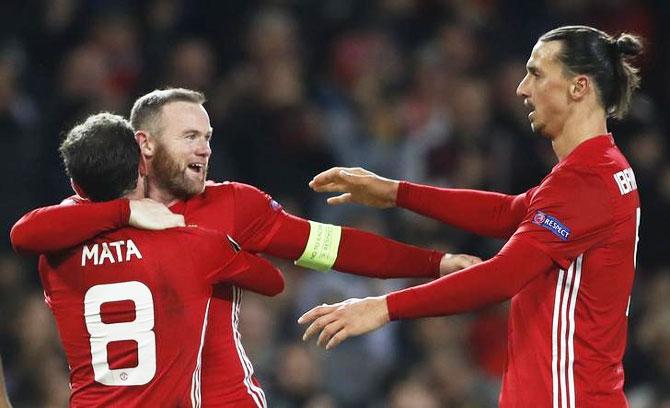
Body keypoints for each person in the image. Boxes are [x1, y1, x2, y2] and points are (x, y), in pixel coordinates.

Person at [10, 89, 481, 407]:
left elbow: (332, 247)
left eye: (208, 137)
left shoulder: (234, 205)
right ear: (144, 144)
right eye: (190, 136)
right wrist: (126, 213)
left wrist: (434, 262)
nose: (205, 149)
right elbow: (27, 233)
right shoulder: (89, 216)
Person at [299, 25, 643, 408]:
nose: (522, 89)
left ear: (578, 87)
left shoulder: (586, 182)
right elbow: (507, 212)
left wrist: (382, 307)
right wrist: (395, 192)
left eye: (537, 73)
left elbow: (502, 277)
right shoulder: (597, 168)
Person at [20, 113, 285, 406]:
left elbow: (25, 232)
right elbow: (272, 281)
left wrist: (120, 214)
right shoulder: (196, 246)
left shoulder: (56, 258)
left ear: (76, 186)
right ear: (143, 165)